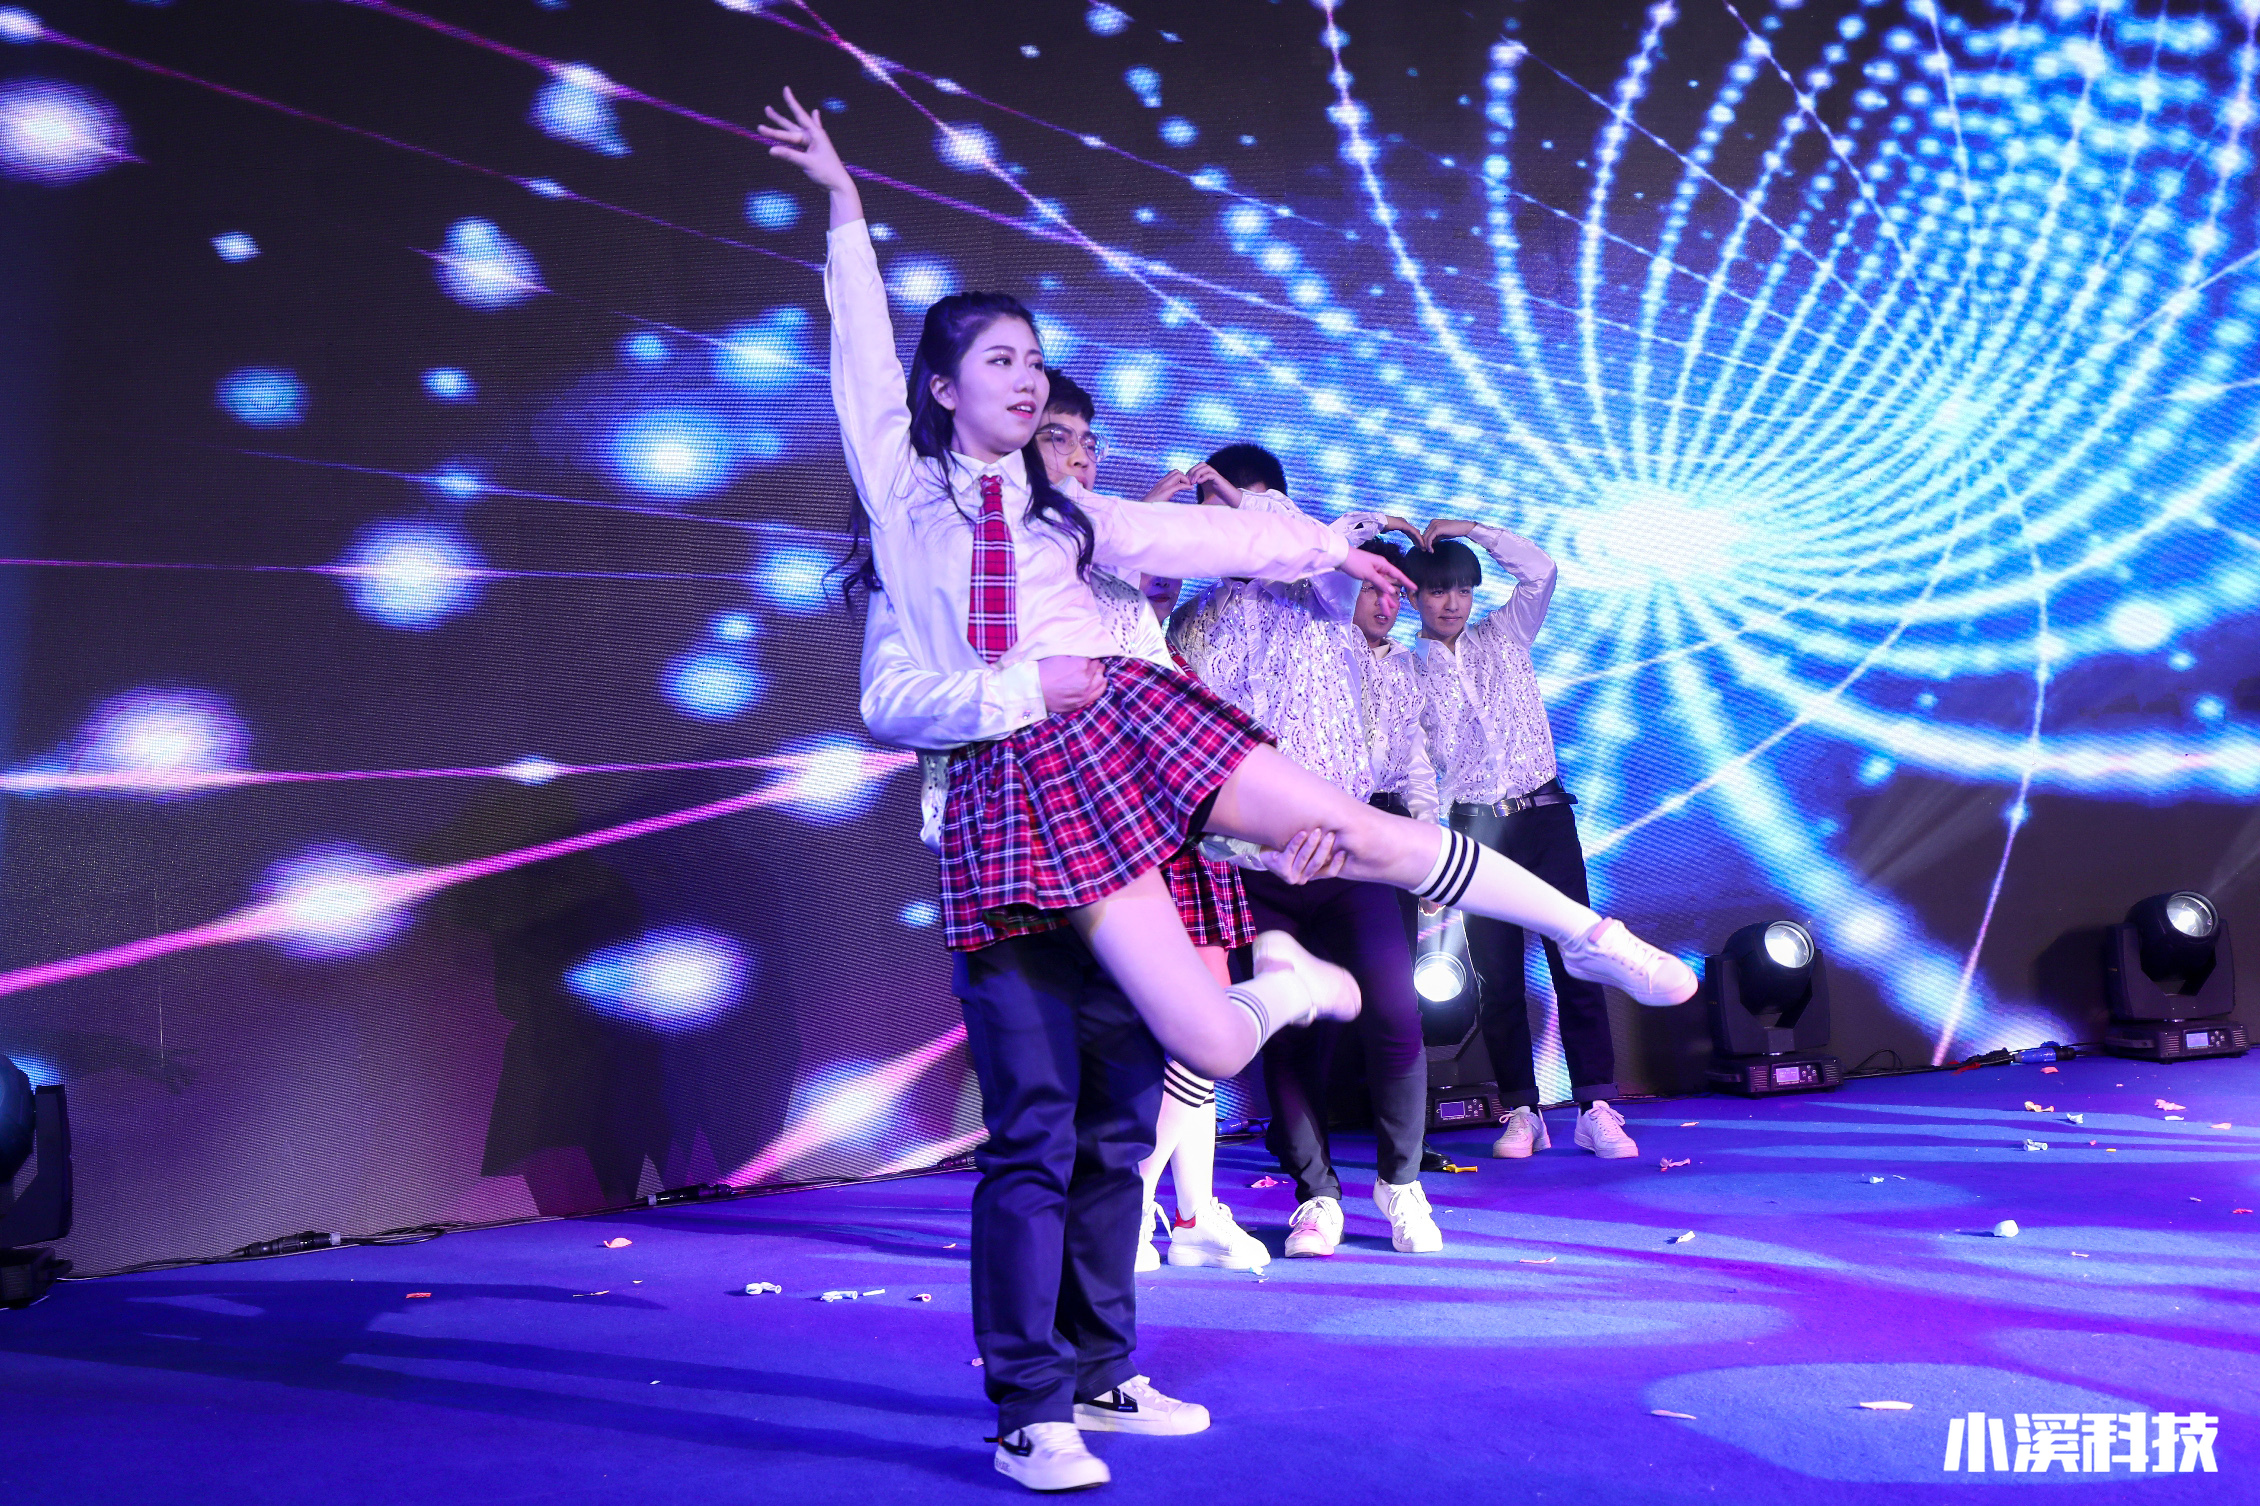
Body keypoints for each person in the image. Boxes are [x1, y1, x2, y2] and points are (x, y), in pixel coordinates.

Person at [763, 79, 1688, 1149]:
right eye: (999, 362)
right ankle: (1289, 987)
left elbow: (1210, 540)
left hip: (1121, 721)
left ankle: (1591, 935)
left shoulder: (1068, 513)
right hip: (1034, 776)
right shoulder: (901, 487)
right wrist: (842, 202)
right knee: (1206, 1040)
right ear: (939, 388)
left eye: (1034, 362)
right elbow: (861, 348)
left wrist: (1330, 547)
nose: (1025, 382)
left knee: (1366, 832)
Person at [1029, 369, 1269, 1275]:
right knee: (1117, 1037)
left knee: (1201, 1017)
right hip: (1088, 830)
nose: (1081, 459)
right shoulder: (1021, 566)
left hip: (1170, 820)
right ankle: (1118, 1205)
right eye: (1058, 440)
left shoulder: (1121, 583)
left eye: (1090, 445)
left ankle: (1193, 1210)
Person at [1171, 451, 1440, 1257]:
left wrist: (1244, 502)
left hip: (1345, 849)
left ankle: (1401, 1184)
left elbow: (1318, 537)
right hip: (1253, 863)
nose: (1242, 524)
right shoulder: (1192, 623)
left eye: (1255, 507)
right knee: (1283, 1032)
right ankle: (1316, 1195)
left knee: (1395, 1011)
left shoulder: (1322, 589)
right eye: (1223, 513)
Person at [1403, 520, 1639, 1162]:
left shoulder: (1505, 633)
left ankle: (1595, 1106)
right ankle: (1522, 1111)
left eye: (1462, 589)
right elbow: (1414, 767)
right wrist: (1428, 856)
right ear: (1413, 597)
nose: (1452, 603)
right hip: (1475, 830)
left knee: (1576, 956)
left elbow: (1541, 571)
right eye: (1437, 591)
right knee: (1497, 975)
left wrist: (1470, 531)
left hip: (1543, 816)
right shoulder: (1404, 670)